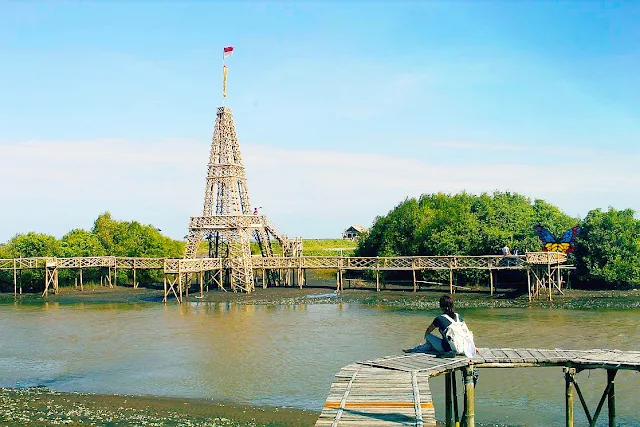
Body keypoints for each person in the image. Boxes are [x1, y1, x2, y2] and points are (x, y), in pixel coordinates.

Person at [403, 294, 476, 357]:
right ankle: (424, 347)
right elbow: (466, 333)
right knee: (433, 343)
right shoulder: (458, 316)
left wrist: (427, 337)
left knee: (428, 336)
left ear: (441, 306)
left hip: (449, 349)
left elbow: (428, 331)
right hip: (464, 349)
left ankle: (417, 349)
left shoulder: (440, 318)